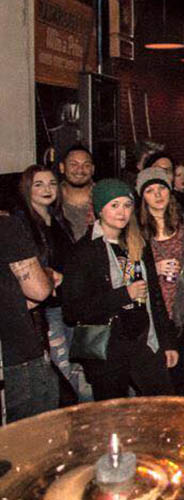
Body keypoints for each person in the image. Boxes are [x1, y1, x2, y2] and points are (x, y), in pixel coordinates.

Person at [62, 179, 177, 400]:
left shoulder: (138, 243)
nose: (122, 212)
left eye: (126, 205)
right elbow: (72, 311)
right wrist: (124, 295)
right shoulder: (83, 251)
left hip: (144, 342)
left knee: (164, 407)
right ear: (100, 209)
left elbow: (155, 296)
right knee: (112, 420)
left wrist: (167, 342)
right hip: (108, 350)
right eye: (114, 205)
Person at [136, 167, 184, 397]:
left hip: (180, 312)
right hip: (147, 313)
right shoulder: (134, 230)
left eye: (162, 189)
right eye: (150, 190)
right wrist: (152, 270)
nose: (158, 195)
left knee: (179, 377)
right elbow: (126, 268)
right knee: (150, 380)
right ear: (142, 196)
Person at [15, 165, 85, 401]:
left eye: (52, 183)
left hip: (67, 304)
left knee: (75, 367)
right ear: (27, 189)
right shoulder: (21, 224)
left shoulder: (58, 220)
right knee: (60, 368)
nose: (47, 189)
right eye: (39, 184)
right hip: (44, 310)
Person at [0, 214, 58, 422]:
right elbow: (38, 290)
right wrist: (48, 276)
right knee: (33, 445)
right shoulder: (5, 226)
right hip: (15, 360)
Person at [58, 145, 96, 242]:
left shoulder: (104, 198)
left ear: (92, 169)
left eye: (86, 165)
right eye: (73, 165)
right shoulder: (51, 199)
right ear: (62, 167)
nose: (80, 170)